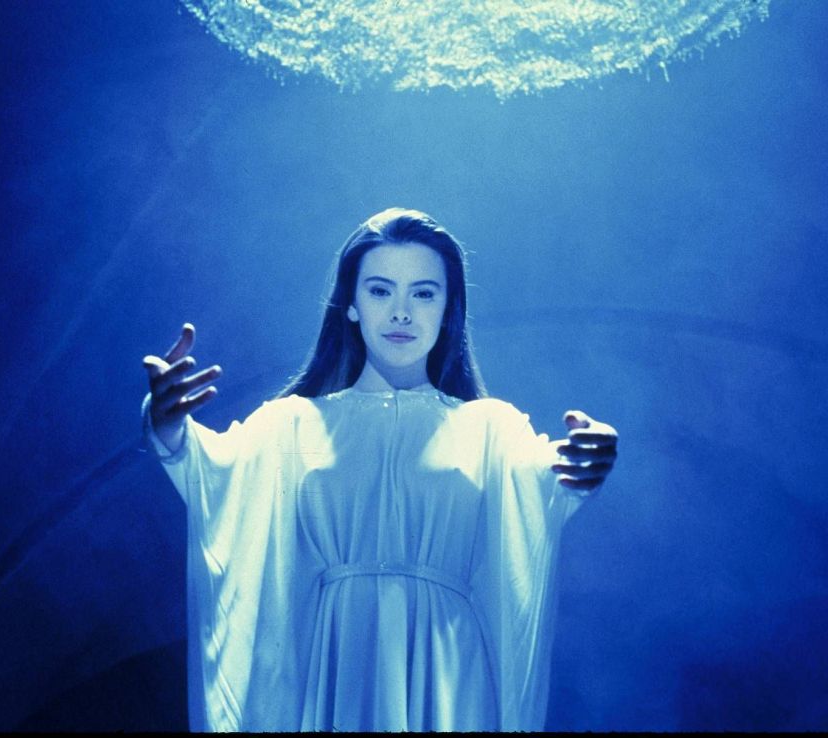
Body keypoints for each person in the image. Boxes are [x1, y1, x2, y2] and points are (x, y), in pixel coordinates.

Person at [141, 208, 618, 731]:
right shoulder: (293, 426)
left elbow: (547, 481)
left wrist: (587, 458)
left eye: (423, 294)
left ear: (449, 308)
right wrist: (167, 423)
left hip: (449, 671)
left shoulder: (491, 430)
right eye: (380, 291)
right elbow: (213, 473)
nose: (401, 313)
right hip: (339, 659)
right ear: (351, 304)